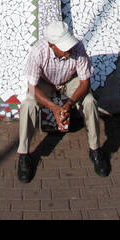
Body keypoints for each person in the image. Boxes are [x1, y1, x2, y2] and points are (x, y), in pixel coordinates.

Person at [17, 20, 108, 183]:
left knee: (89, 102)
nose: (69, 50)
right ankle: (23, 154)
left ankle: (95, 149)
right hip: (45, 82)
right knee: (28, 105)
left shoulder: (78, 48)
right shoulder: (39, 52)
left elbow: (84, 83)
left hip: (69, 81)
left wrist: (68, 104)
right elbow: (32, 87)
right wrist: (53, 108)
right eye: (64, 47)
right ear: (52, 45)